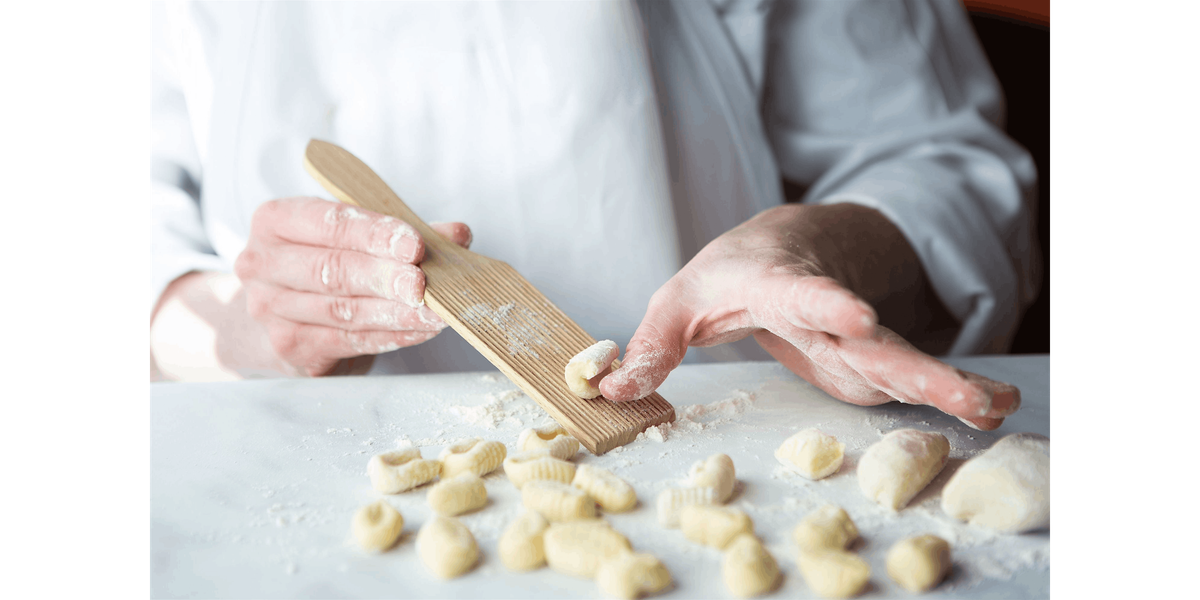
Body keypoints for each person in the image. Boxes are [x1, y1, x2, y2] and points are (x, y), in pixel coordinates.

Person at [149, 0, 1039, 430]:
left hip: (728, 427)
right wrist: (243, 336)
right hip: (289, 468)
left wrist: (815, 249)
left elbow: (942, 165)